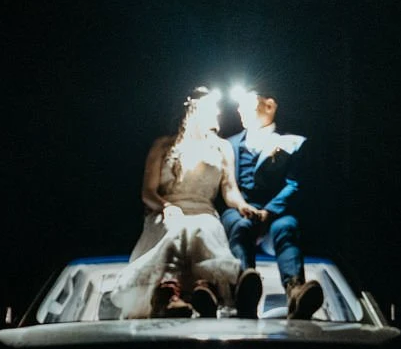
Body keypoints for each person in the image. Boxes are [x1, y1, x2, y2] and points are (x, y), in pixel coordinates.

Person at [112, 87, 249, 319]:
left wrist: (244, 207)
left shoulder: (222, 148)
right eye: (212, 107)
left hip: (204, 211)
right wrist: (166, 206)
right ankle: (168, 294)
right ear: (195, 109)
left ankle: (204, 291)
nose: (217, 113)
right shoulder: (163, 146)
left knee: (204, 229)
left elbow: (229, 189)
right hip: (167, 210)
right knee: (177, 229)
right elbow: (148, 192)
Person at [222, 86, 322, 320]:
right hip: (240, 209)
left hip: (276, 212)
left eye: (248, 103)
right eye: (239, 105)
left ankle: (296, 291)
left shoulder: (293, 143)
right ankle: (244, 289)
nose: (240, 110)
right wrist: (243, 207)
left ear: (270, 105)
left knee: (286, 228)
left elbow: (294, 184)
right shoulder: (228, 144)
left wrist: (269, 211)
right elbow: (226, 183)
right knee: (240, 227)